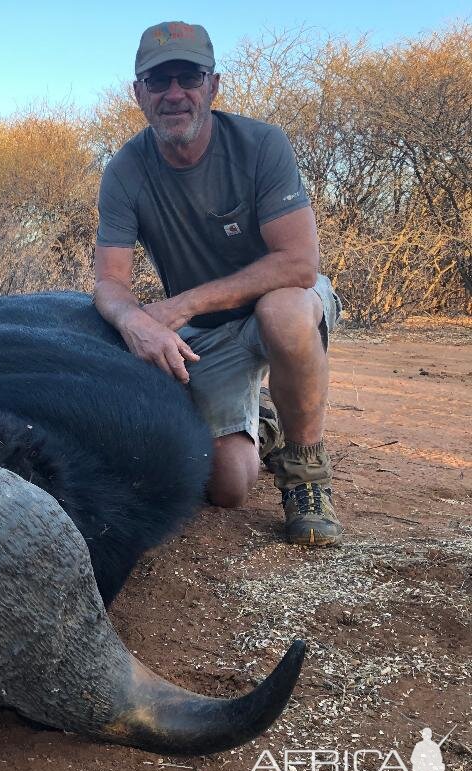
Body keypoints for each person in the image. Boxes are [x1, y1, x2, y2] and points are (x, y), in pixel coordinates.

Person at [93, 21, 342, 546]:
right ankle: (267, 428)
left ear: (214, 85)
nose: (175, 94)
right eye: (159, 81)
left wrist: (181, 305)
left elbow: (300, 264)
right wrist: (135, 320)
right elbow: (109, 283)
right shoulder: (124, 171)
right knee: (226, 486)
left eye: (189, 77)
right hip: (209, 336)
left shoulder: (261, 144)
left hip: (280, 306)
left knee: (284, 313)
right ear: (138, 93)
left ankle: (306, 474)